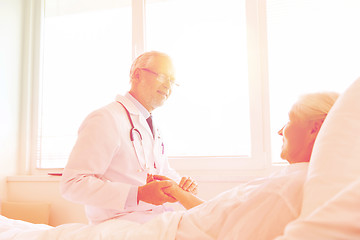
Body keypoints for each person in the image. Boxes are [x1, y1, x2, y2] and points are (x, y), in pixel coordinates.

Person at [148, 92, 339, 240]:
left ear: (314, 129)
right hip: (173, 226)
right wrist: (179, 193)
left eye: (289, 120)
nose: (280, 131)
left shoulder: (287, 188)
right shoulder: (295, 178)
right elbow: (220, 218)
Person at [60, 51, 197, 224]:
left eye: (172, 81)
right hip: (120, 225)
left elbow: (161, 171)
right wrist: (139, 194)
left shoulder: (151, 124)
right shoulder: (106, 118)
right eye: (163, 77)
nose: (168, 86)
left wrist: (181, 186)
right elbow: (72, 184)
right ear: (137, 74)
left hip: (155, 220)